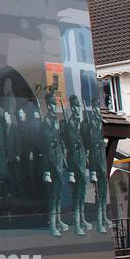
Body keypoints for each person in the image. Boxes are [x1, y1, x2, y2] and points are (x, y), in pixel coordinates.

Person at [41, 91, 69, 237]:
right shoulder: (46, 121)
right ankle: (52, 224)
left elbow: (59, 139)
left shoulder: (55, 121)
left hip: (58, 161)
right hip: (50, 162)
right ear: (48, 105)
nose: (53, 106)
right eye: (51, 103)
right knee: (53, 195)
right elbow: (46, 141)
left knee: (58, 193)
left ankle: (58, 220)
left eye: (54, 103)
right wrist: (55, 130)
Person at [62, 95, 91, 235]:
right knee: (77, 191)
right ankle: (78, 223)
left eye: (78, 106)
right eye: (75, 106)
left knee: (83, 190)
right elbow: (73, 143)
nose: (78, 109)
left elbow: (85, 141)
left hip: (81, 158)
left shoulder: (81, 123)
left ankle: (83, 219)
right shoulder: (71, 124)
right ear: (72, 108)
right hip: (74, 159)